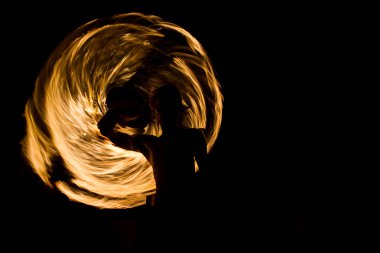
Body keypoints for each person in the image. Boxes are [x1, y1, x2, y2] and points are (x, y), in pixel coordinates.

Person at [97, 84, 208, 248]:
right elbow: (105, 130)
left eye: (166, 105)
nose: (163, 112)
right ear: (155, 113)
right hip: (162, 216)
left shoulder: (193, 137)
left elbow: (209, 176)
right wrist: (122, 111)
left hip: (187, 214)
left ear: (177, 109)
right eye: (159, 107)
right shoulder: (149, 144)